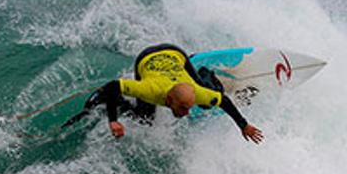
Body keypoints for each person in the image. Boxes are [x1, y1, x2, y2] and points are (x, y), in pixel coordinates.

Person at [68, 43, 264, 143]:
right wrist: (113, 120)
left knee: (207, 102)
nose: (187, 113)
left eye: (187, 108)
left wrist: (243, 126)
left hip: (176, 54)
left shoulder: (197, 94)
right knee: (145, 118)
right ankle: (119, 104)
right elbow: (112, 85)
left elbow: (223, 101)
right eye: (183, 108)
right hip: (146, 58)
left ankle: (205, 74)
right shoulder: (150, 90)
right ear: (169, 100)